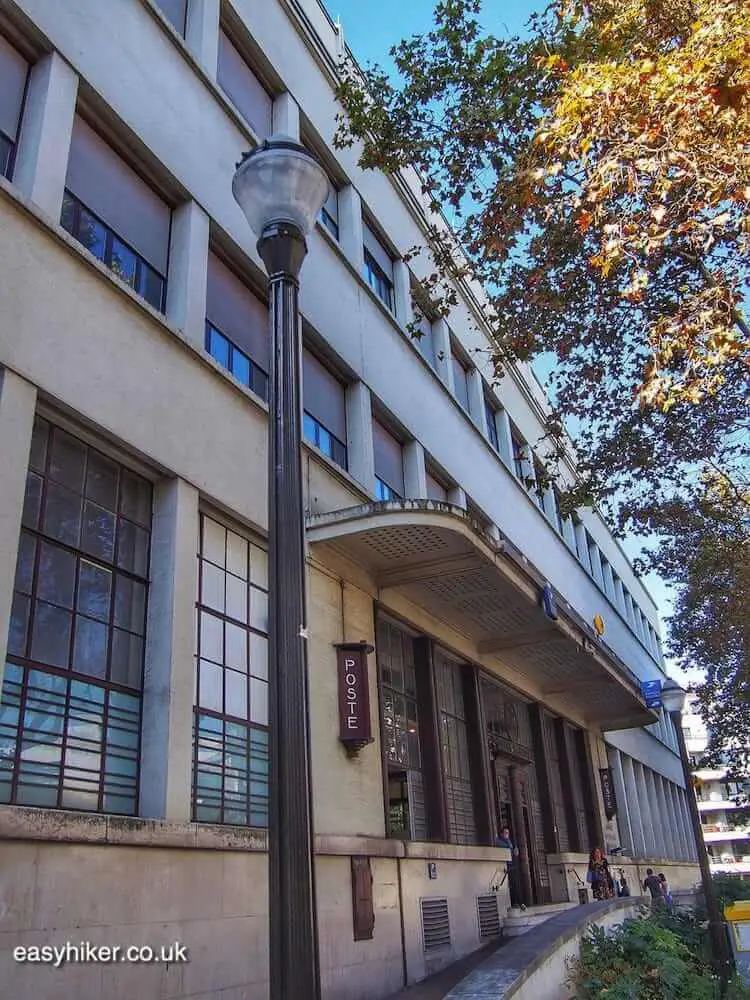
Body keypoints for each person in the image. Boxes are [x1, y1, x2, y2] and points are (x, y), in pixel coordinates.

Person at [496, 825, 521, 905]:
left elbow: (513, 850)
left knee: (515, 884)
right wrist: (512, 849)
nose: (507, 835)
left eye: (508, 833)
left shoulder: (509, 841)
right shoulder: (499, 841)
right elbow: (506, 848)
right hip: (505, 865)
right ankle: (512, 902)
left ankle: (517, 902)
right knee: (508, 884)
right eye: (505, 833)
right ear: (501, 834)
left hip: (512, 864)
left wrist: (515, 851)